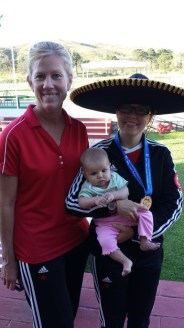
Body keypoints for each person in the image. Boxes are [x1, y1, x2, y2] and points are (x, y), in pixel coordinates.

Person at [66, 73, 183, 328]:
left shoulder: (162, 154)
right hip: (108, 252)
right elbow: (72, 202)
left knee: (140, 318)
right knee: (112, 318)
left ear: (151, 116)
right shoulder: (98, 153)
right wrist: (113, 205)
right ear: (116, 112)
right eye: (127, 108)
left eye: (142, 110)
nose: (133, 115)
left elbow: (174, 204)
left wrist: (137, 232)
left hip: (148, 248)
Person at [0, 41, 89, 328]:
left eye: (56, 75)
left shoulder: (80, 130)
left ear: (69, 80)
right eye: (40, 76)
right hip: (36, 250)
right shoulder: (13, 136)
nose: (48, 84)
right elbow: (5, 203)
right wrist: (9, 261)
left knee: (69, 315)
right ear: (30, 81)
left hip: (76, 241)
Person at [78, 147, 160, 276]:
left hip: (127, 215)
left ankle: (144, 240)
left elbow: (125, 191)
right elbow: (81, 202)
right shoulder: (87, 186)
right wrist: (95, 200)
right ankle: (125, 261)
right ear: (85, 174)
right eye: (93, 174)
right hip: (105, 223)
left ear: (110, 166)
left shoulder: (115, 177)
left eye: (104, 170)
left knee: (146, 213)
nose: (100, 176)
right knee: (104, 241)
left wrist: (114, 195)